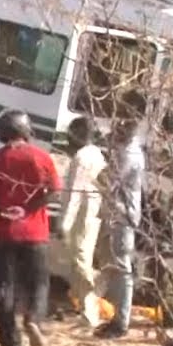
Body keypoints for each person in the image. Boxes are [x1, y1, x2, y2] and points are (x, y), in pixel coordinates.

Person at [0, 109, 62, 346]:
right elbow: (53, 191)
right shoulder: (41, 157)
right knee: (39, 283)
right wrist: (28, 209)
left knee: (4, 288)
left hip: (4, 233)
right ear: (25, 130)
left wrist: (7, 207)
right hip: (35, 232)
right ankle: (33, 319)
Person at [98, 118, 145, 340]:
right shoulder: (126, 150)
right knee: (115, 266)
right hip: (119, 213)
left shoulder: (129, 154)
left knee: (122, 267)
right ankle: (117, 317)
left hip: (123, 215)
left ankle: (121, 322)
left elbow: (109, 181)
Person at [60, 116, 107, 328]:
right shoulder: (96, 153)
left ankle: (90, 312)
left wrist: (64, 224)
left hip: (81, 215)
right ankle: (86, 307)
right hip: (92, 213)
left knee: (80, 261)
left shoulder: (81, 157)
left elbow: (74, 194)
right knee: (81, 260)